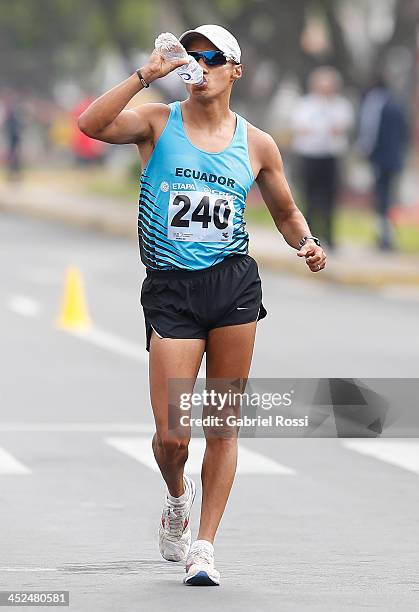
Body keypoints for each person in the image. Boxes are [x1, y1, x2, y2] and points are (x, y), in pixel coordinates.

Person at [77, 24, 326, 587]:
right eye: (192, 56)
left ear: (235, 71)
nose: (200, 65)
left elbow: (285, 211)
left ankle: (205, 546)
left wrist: (305, 242)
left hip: (232, 287)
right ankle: (176, 496)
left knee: (221, 424)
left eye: (213, 58)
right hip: (171, 288)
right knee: (172, 437)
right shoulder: (158, 122)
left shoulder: (257, 143)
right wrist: (147, 74)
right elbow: (90, 126)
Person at [291, 67, 354, 249]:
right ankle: (309, 236)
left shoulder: (340, 105)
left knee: (330, 198)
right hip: (310, 156)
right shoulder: (305, 105)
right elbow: (302, 128)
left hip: (330, 156)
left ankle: (329, 235)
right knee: (309, 197)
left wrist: (321, 128)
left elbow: (340, 128)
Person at [358, 76, 409, 250]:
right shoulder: (397, 104)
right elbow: (405, 133)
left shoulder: (374, 105)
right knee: (389, 199)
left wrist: (366, 152)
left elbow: (369, 132)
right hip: (395, 159)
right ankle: (388, 236)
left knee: (381, 200)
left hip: (380, 159)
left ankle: (384, 237)